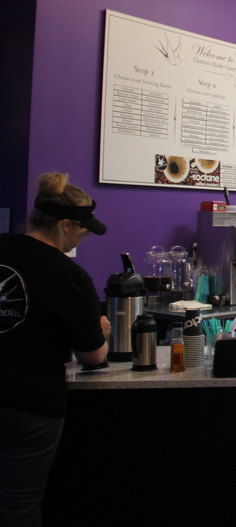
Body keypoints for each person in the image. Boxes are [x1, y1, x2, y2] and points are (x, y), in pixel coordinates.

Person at [0, 173, 110, 526]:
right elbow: (93, 356)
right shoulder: (67, 274)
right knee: (18, 507)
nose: (84, 237)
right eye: (84, 230)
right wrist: (100, 332)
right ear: (65, 225)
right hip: (27, 403)